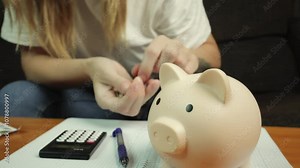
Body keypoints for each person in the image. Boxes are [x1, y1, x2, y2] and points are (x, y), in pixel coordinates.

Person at [0, 0, 220, 119]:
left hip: (163, 102)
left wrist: (187, 59)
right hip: (85, 101)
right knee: (14, 97)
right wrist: (89, 69)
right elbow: (33, 63)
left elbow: (210, 54)